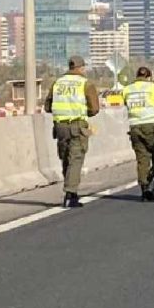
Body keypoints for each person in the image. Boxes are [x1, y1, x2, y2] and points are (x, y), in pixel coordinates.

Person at [43, 56, 100, 208]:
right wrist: (82, 112)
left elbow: (47, 106)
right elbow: (94, 108)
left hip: (60, 127)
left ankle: (71, 190)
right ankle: (70, 193)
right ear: (81, 68)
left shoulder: (57, 83)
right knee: (76, 159)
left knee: (66, 159)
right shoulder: (85, 84)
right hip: (77, 125)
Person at [122, 67, 154, 201]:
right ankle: (153, 181)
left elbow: (127, 104)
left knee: (142, 159)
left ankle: (144, 190)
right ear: (149, 76)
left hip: (135, 126)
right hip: (153, 126)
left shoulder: (127, 89)